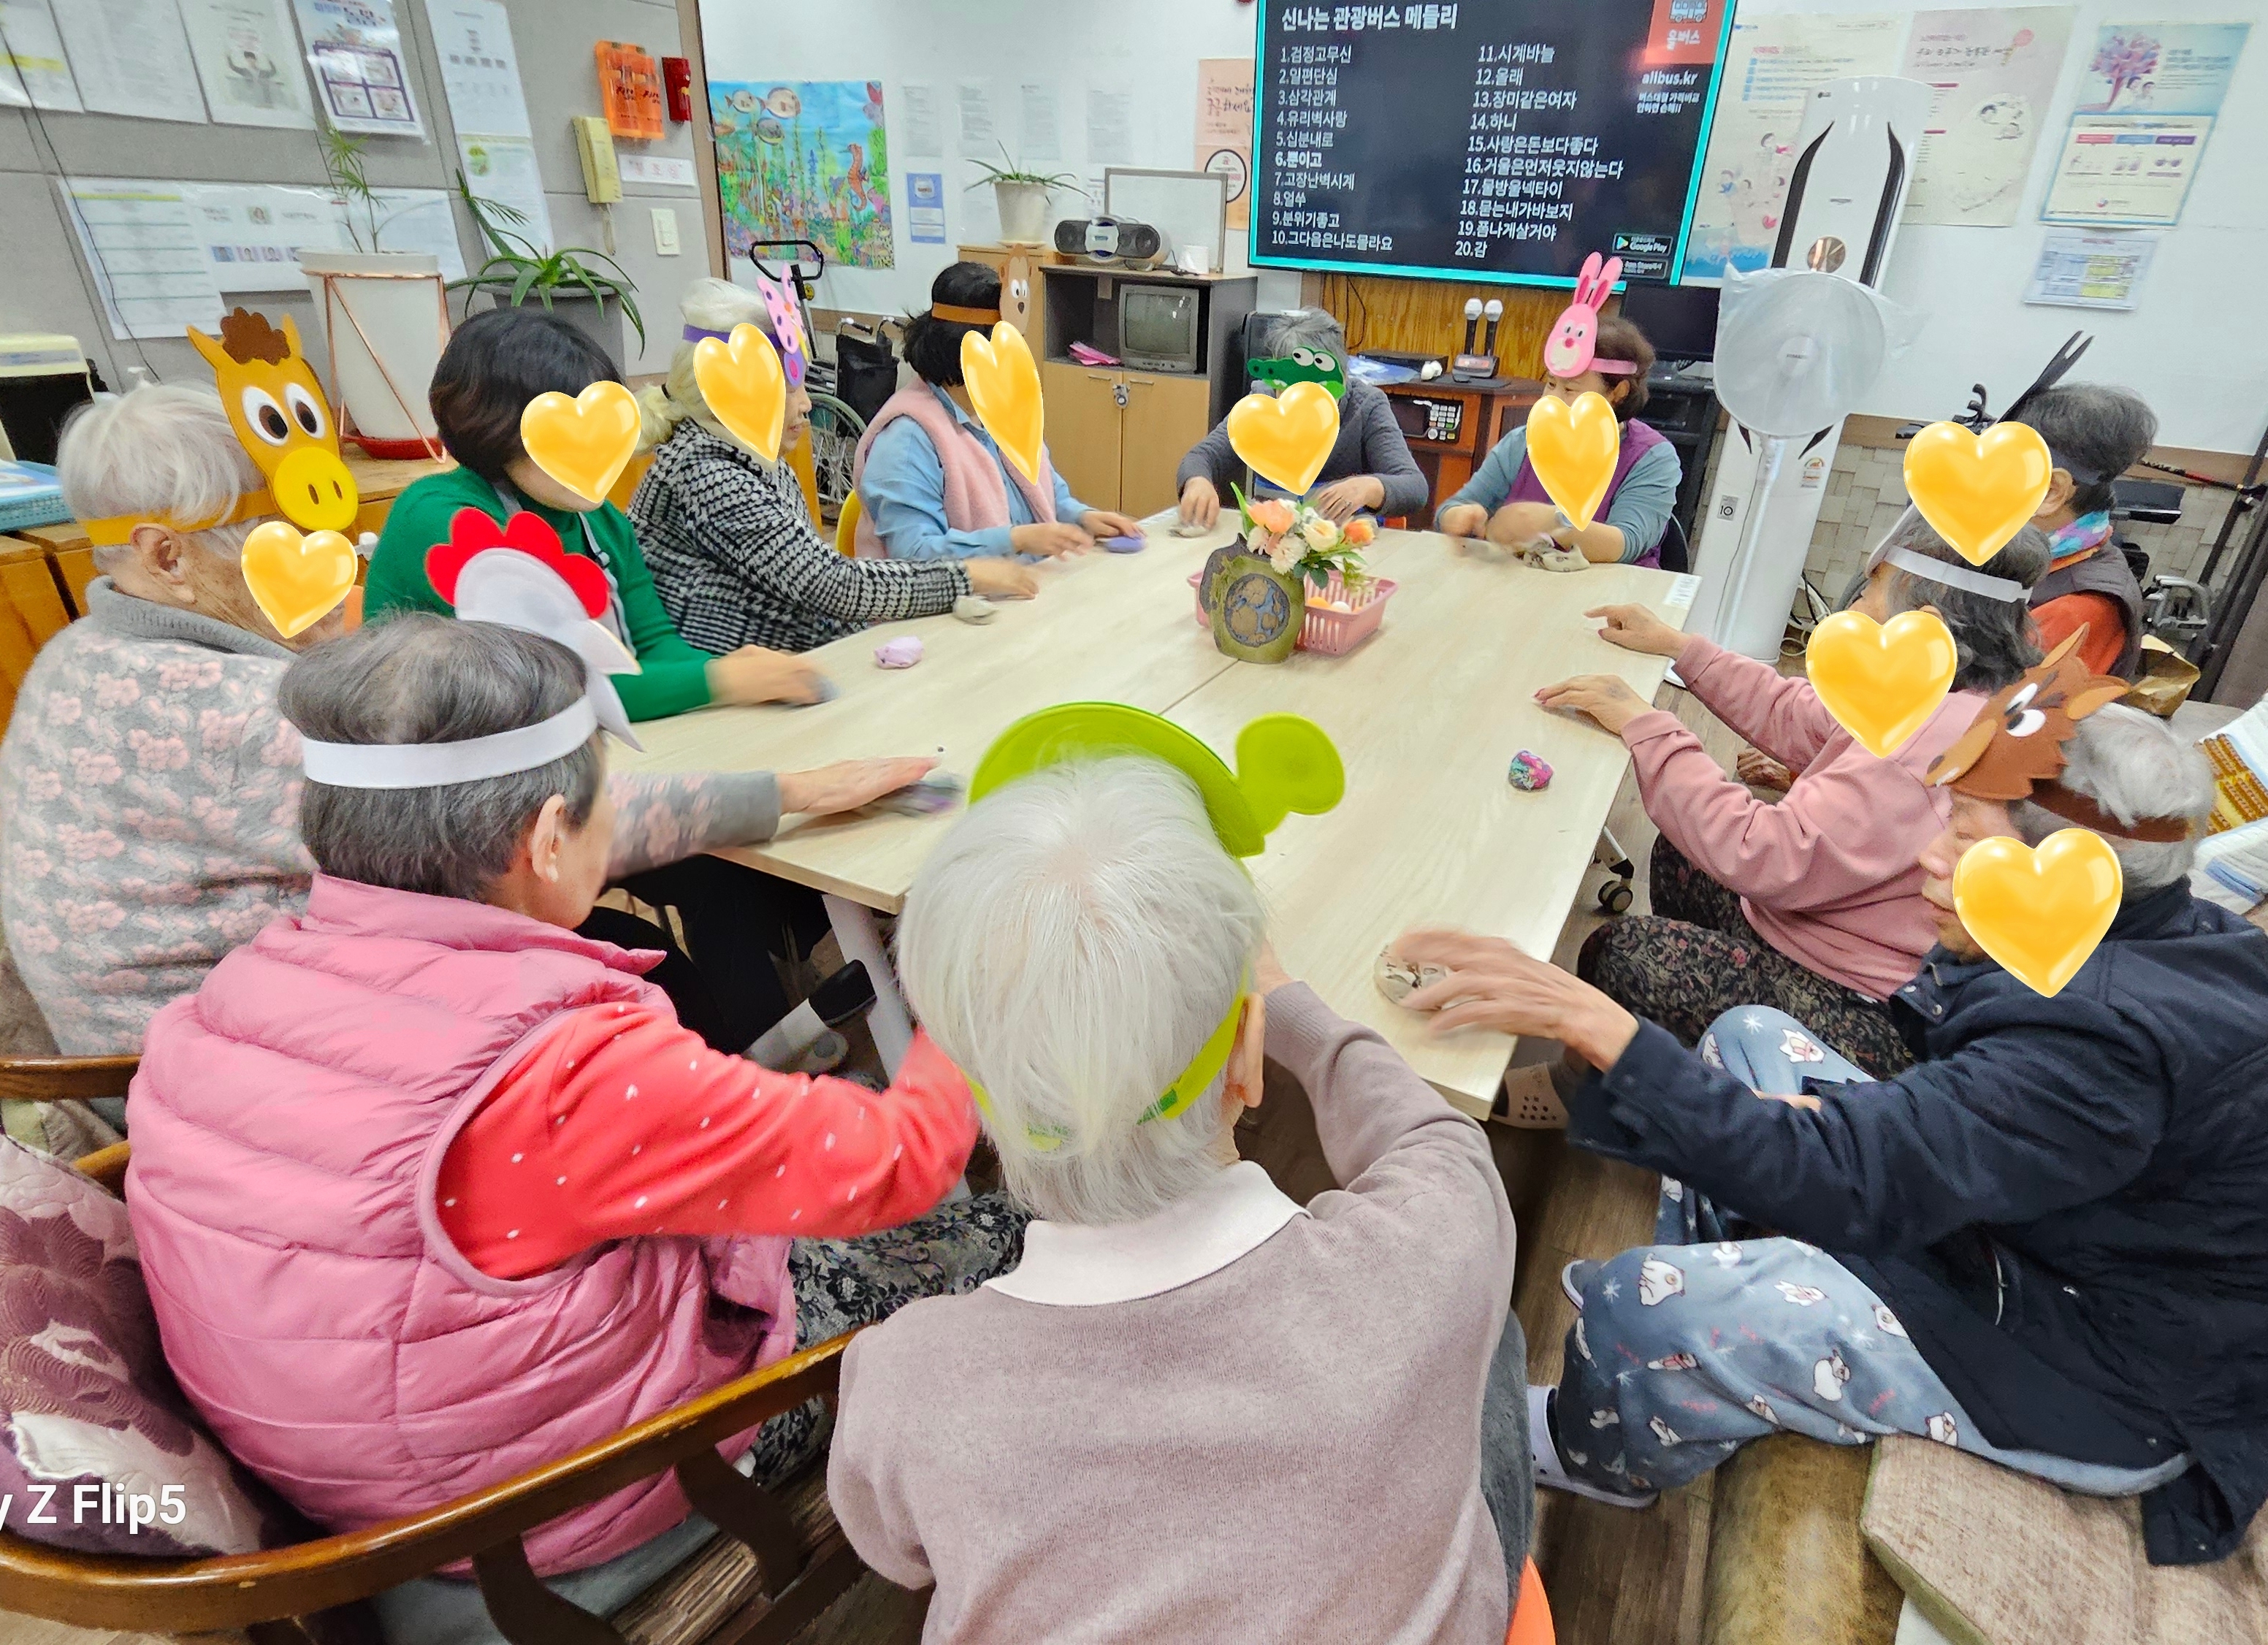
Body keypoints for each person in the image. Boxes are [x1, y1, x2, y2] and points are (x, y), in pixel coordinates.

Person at [125, 614, 1029, 1644]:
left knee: (827, 1132)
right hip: (553, 1509)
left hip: (363, 1467)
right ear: (549, 838)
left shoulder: (230, 995)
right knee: (997, 1231)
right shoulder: (564, 1072)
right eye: (610, 802)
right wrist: (965, 987)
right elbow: (902, 1160)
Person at [1393, 660, 2268, 1568]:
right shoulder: (2151, 936)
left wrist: (1597, 1023)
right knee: (1748, 1036)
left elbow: (1863, 1171)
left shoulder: (2108, 1042)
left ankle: (1592, 1449)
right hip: (2037, 1235)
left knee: (1645, 1309)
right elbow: (1952, 1128)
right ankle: (1722, 1273)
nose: (1931, 857)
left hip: (2094, 1361)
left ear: (2072, 873)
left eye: (1965, 835)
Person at [828, 734, 1530, 1644]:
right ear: (1247, 1055)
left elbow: (899, 1552)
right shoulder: (1432, 1246)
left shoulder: (906, 1382)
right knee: (1497, 1337)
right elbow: (1440, 1141)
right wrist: (1291, 1005)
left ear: (971, 1092)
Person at [0, 383, 910, 1067]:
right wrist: (792, 789)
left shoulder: (76, 653)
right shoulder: (243, 707)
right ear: (167, 555)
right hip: (238, 1059)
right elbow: (519, 830)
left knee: (684, 902)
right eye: (282, 531)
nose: (325, 554)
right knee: (643, 969)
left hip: (188, 1020)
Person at [1544, 516, 2049, 1076]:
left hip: (1869, 1007)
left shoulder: (1927, 739)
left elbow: (1763, 851)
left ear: (1924, 624)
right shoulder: (1956, 694)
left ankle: (1636, 1089)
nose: (1854, 606)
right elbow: (1799, 715)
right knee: (1682, 853)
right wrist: (1680, 649)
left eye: (1871, 588)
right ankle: (1710, 1059)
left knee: (1623, 955)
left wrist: (1648, 728)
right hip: (1834, 933)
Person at [367, 305, 826, 714]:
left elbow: (653, 644)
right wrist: (720, 681)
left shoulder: (600, 521)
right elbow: (552, 692)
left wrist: (736, 671)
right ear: (493, 429)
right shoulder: (443, 518)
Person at [633, 278, 1036, 654]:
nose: (807, 404)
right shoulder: (708, 474)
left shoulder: (757, 458)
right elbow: (829, 584)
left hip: (800, 655)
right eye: (789, 390)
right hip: (752, 674)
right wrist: (966, 576)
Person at [849, 262, 1142, 560]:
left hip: (1026, 580)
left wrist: (1081, 517)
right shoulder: (908, 440)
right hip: (962, 590)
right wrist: (1015, 540)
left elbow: (1045, 493)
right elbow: (914, 554)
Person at [1435, 310, 1681, 566]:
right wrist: (1461, 516)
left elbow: (1627, 543)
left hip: (1609, 589)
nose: (1552, 399)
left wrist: (1554, 522)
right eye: (1551, 384)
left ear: (1618, 392)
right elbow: (1451, 510)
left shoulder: (1652, 458)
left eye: (1570, 389)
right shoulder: (1522, 442)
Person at [1175, 309, 1427, 527]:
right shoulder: (1262, 403)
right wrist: (1198, 482)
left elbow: (1414, 486)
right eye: (1290, 390)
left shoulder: (1367, 406)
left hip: (1344, 546)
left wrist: (1369, 487)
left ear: (1341, 376)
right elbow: (1202, 457)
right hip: (1276, 543)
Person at [2009, 382, 2158, 679]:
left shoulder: (2077, 609)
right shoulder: (2036, 559)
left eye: (2001, 471)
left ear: (2051, 491)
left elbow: (1992, 702)